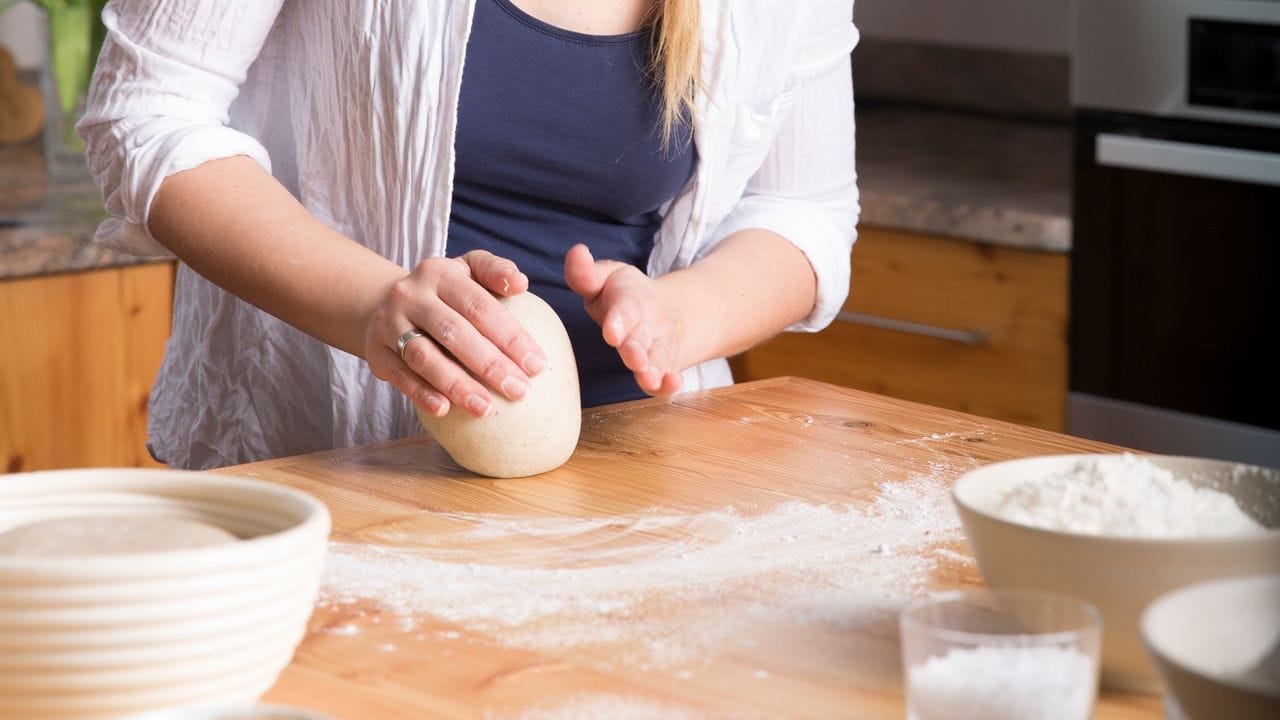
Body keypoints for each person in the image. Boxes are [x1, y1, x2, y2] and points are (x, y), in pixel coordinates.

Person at [79, 0, 860, 470]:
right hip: (324, 459)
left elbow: (805, 210)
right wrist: (372, 306)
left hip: (639, 483)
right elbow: (146, 113)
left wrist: (678, 318)